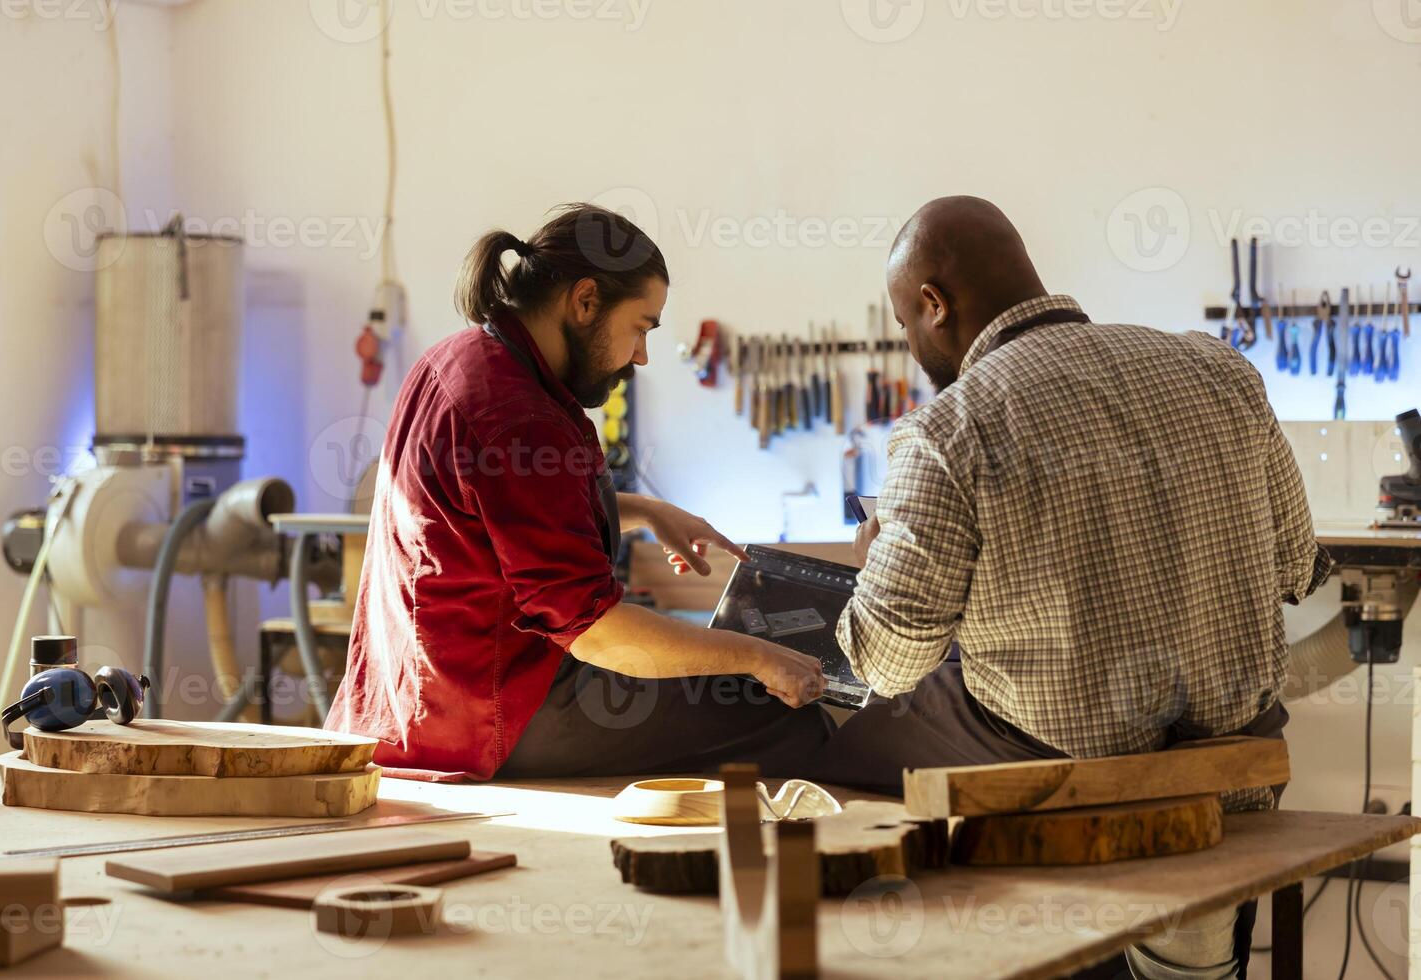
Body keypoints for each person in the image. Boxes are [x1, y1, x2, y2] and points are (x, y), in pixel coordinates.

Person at [811, 196, 1329, 980]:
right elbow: (1295, 566)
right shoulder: (1222, 370)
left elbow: (886, 662)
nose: (914, 347)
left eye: (906, 326)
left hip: (1072, 800)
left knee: (825, 729)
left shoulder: (949, 429)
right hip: (1238, 780)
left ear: (933, 303)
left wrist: (875, 560)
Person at [326, 203, 831, 784]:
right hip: (490, 712)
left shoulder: (459, 357)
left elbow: (494, 519)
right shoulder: (518, 414)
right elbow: (598, 634)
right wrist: (756, 656)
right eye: (641, 327)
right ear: (585, 300)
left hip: (409, 701)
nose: (641, 356)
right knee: (781, 714)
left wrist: (643, 510)